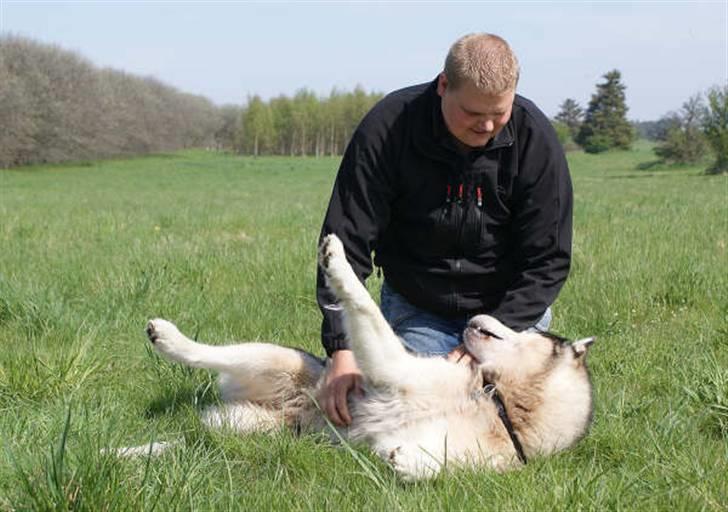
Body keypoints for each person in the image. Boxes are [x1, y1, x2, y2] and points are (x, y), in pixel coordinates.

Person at [315, 33, 573, 427]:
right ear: (443, 86)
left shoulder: (534, 138)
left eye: (499, 113)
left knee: (508, 414)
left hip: (506, 314)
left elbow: (549, 260)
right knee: (421, 410)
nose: (487, 125)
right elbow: (344, 241)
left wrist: (492, 335)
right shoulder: (390, 127)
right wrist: (342, 349)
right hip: (421, 307)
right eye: (472, 112)